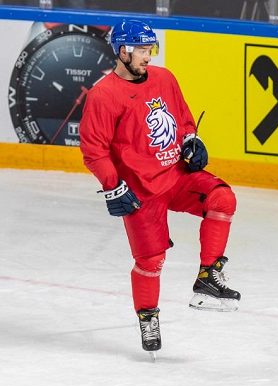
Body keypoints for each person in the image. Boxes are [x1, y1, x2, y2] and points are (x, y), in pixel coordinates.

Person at [79, 19, 241, 354]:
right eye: (141, 49)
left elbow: (183, 118)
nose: (148, 56)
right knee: (151, 261)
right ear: (121, 50)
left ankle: (208, 276)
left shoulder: (165, 78)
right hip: (139, 189)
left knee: (222, 198)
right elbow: (94, 149)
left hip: (177, 174)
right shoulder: (103, 96)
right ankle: (148, 316)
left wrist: (192, 140)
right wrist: (114, 186)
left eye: (150, 48)